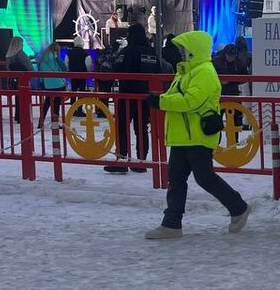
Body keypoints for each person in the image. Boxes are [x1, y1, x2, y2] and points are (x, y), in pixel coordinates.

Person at [144, 31, 250, 239]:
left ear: (195, 50)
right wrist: (163, 99)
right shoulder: (186, 71)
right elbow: (180, 97)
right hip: (184, 135)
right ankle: (172, 224)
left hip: (197, 134)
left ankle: (238, 207)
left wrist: (162, 102)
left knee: (204, 178)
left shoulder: (204, 73)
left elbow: (191, 102)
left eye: (184, 49)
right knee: (176, 179)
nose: (181, 52)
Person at [106, 23, 160, 174]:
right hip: (146, 97)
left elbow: (117, 70)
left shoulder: (128, 51)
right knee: (141, 129)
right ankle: (141, 161)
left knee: (122, 128)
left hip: (127, 95)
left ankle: (122, 160)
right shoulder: (151, 52)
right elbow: (158, 71)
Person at [36, 42, 68, 128]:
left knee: (47, 103)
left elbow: (41, 72)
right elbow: (63, 68)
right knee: (56, 104)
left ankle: (40, 122)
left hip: (48, 84)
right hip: (58, 83)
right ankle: (54, 124)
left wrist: (42, 82)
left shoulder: (43, 58)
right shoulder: (55, 57)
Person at [5, 37, 32, 124]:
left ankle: (18, 116)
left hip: (14, 79)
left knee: (18, 98)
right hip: (23, 79)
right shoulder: (21, 54)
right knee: (24, 99)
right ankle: (23, 116)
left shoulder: (9, 55)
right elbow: (29, 67)